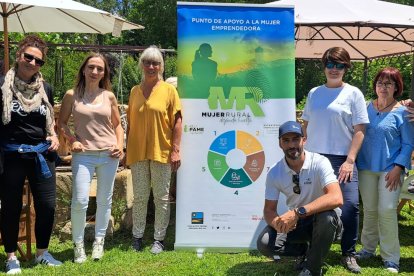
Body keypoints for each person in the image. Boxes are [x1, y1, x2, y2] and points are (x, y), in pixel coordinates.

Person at [301, 47, 369, 273]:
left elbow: (359, 130)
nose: (334, 69)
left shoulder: (354, 93)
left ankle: (348, 254)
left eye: (339, 65)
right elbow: (306, 125)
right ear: (324, 66)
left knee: (349, 206)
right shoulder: (314, 93)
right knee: (311, 207)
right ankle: (309, 251)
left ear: (346, 68)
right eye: (330, 64)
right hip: (314, 160)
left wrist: (350, 160)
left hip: (342, 160)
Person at [0, 35, 62, 274]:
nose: (33, 63)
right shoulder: (3, 86)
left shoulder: (45, 88)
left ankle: (42, 253)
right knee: (11, 207)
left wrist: (54, 136)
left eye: (39, 61)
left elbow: (50, 122)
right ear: (19, 56)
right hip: (11, 156)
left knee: (47, 205)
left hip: (41, 155)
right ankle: (11, 257)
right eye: (29, 57)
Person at [58, 53, 124, 263]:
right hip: (83, 155)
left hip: (108, 154)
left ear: (105, 73)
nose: (95, 72)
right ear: (84, 70)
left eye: (100, 69)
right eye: (91, 67)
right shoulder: (71, 95)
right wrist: (71, 140)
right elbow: (60, 123)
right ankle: (78, 246)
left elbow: (117, 125)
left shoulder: (109, 96)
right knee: (79, 200)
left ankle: (99, 242)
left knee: (105, 200)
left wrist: (120, 145)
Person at [257, 121, 343, 276]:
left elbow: (336, 197)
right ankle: (307, 252)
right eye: (286, 140)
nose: (291, 145)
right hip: (298, 224)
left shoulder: (320, 162)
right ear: (280, 144)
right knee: (264, 243)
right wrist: (278, 224)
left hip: (324, 220)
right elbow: (269, 210)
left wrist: (297, 213)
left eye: (296, 139)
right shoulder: (275, 172)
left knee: (327, 217)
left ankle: (312, 269)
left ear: (304, 140)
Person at [356, 67, 414, 273]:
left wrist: (399, 167)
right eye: (380, 82)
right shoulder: (364, 107)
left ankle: (391, 258)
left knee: (387, 210)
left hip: (391, 170)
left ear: (396, 87)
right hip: (365, 168)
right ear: (375, 86)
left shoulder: (403, 112)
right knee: (370, 210)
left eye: (389, 83)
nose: (383, 87)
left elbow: (408, 144)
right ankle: (368, 249)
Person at [126, 46, 182, 255]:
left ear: (161, 66)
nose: (151, 66)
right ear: (141, 65)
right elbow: (130, 124)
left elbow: (177, 121)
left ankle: (159, 238)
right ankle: (137, 236)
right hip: (138, 152)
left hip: (162, 151)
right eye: (147, 62)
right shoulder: (134, 91)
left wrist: (176, 150)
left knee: (161, 197)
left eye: (155, 63)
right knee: (140, 196)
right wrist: (126, 150)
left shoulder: (169, 91)